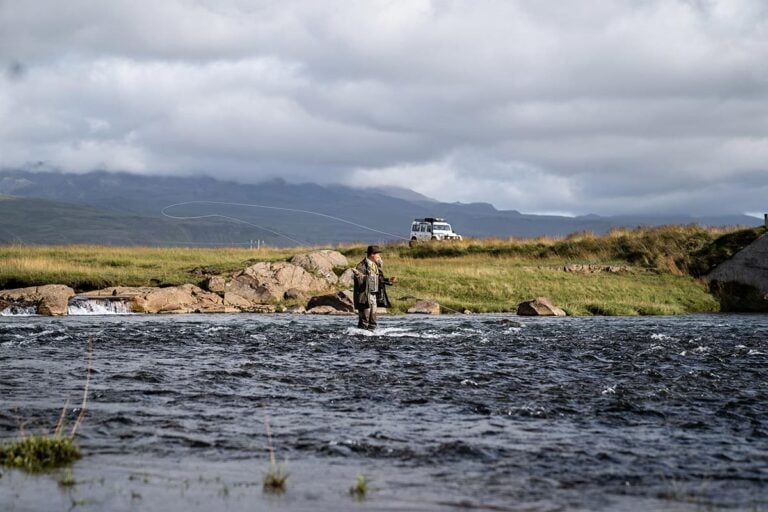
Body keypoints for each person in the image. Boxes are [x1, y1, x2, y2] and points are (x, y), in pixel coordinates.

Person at [353, 245, 397, 330]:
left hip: (373, 296)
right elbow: (359, 281)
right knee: (364, 320)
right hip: (364, 296)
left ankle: (372, 337)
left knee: (373, 320)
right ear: (372, 254)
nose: (379, 257)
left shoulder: (375, 265)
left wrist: (389, 280)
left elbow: (379, 279)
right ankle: (361, 338)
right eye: (378, 254)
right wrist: (359, 275)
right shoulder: (361, 266)